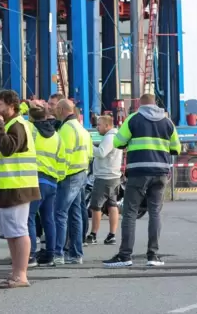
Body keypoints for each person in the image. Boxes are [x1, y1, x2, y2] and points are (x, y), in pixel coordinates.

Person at [104, 94, 181, 268]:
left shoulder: (133, 119)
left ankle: (125, 256)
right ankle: (153, 255)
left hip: (138, 172)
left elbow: (118, 142)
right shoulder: (168, 122)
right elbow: (176, 148)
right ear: (155, 104)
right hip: (160, 172)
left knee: (130, 212)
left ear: (140, 104)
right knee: (155, 212)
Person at [0, 89, 40, 289]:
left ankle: (21, 274)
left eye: (0, 104)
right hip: (10, 185)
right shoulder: (13, 123)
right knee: (11, 233)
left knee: (18, 231)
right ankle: (16, 273)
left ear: (11, 106)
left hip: (18, 185)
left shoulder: (17, 125)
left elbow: (7, 147)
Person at [53, 98, 92, 265]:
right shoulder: (81, 129)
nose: (54, 111)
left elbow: (62, 156)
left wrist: (58, 176)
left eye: (55, 108)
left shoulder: (66, 130)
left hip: (69, 175)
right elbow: (90, 154)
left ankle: (58, 253)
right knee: (75, 214)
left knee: (60, 213)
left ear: (62, 109)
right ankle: (76, 254)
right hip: (81, 173)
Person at [26, 101, 64, 267]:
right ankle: (50, 254)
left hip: (36, 178)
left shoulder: (30, 128)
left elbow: (17, 119)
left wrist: (26, 105)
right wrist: (58, 178)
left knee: (29, 217)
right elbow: (62, 160)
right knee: (49, 218)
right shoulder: (56, 135)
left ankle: (31, 255)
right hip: (52, 181)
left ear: (31, 117)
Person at [87, 114, 121, 246]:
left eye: (99, 125)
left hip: (104, 176)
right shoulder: (116, 136)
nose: (97, 127)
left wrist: (88, 146)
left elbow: (101, 152)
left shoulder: (109, 138)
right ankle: (111, 235)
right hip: (114, 176)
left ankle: (93, 234)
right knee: (112, 205)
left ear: (107, 126)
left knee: (96, 206)